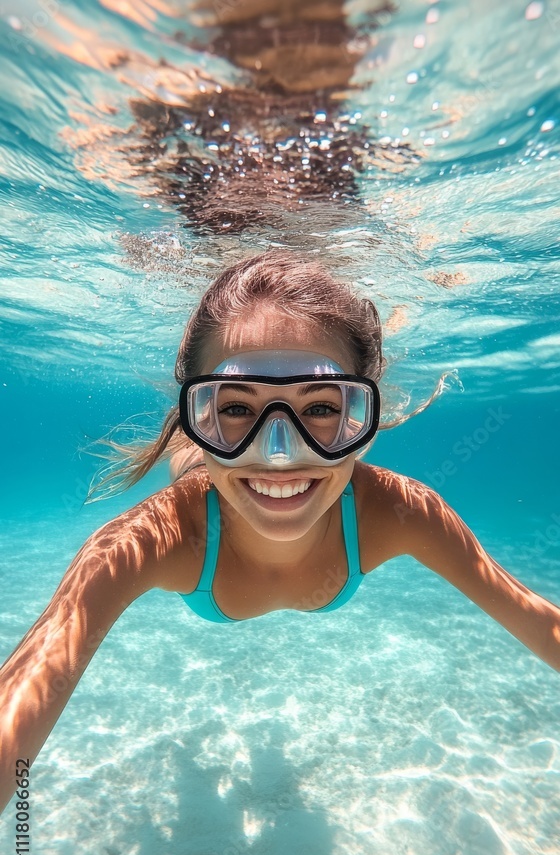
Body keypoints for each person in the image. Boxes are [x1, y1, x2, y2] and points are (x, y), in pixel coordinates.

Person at [0, 249, 558, 816]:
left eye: (320, 407)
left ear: (363, 424)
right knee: (193, 460)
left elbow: (538, 621)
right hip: (203, 473)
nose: (279, 457)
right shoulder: (155, 540)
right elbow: (25, 692)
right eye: (235, 407)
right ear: (195, 407)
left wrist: (239, 425)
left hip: (223, 467)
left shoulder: (400, 511)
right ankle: (195, 440)